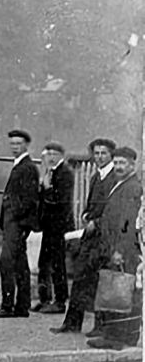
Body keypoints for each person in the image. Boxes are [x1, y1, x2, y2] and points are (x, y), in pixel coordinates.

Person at [51, 138, 117, 335]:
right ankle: (72, 322)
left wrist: (96, 223)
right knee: (80, 277)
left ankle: (100, 326)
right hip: (90, 236)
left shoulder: (114, 178)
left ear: (111, 155)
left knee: (99, 281)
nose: (99, 157)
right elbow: (90, 205)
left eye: (103, 153)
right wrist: (86, 215)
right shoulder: (96, 176)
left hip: (104, 238)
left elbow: (114, 210)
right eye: (96, 153)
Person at [87, 146, 142, 350]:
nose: (118, 167)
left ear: (132, 165)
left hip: (122, 250)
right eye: (116, 163)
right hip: (114, 247)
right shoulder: (121, 184)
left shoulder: (131, 187)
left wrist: (119, 250)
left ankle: (116, 338)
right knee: (122, 290)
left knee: (120, 291)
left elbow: (127, 222)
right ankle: (125, 337)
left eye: (123, 163)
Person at [0, 129, 40, 319]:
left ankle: (8, 305)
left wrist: (16, 217)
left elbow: (29, 199)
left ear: (26, 145)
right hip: (14, 223)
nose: (15, 147)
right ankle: (21, 306)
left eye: (18, 143)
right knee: (19, 264)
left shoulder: (27, 167)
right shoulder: (20, 165)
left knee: (7, 262)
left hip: (16, 223)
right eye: (12, 143)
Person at [32, 142, 74, 314]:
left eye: (53, 154)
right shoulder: (50, 171)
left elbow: (61, 201)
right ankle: (44, 298)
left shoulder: (65, 173)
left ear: (61, 155)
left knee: (57, 263)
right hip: (48, 225)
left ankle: (60, 300)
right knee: (44, 262)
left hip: (58, 225)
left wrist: (48, 188)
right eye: (47, 154)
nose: (50, 157)